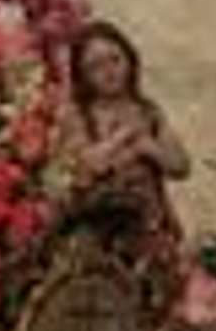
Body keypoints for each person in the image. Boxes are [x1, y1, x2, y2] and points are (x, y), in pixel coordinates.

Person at [56, 21, 190, 254]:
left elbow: (181, 166)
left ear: (130, 59)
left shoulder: (148, 111)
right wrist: (122, 137)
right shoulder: (78, 115)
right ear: (82, 76)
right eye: (95, 66)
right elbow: (85, 168)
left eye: (115, 59)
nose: (109, 71)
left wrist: (149, 148)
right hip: (100, 233)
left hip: (153, 226)